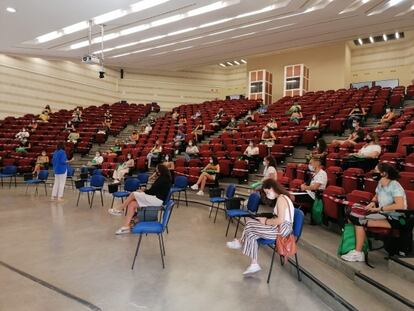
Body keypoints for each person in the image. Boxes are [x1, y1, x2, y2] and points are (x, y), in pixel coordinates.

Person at [226, 179, 294, 275]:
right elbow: (278, 218)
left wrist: (265, 221)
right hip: (280, 227)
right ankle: (253, 263)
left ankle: (241, 242)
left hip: (282, 230)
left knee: (250, 226)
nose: (267, 195)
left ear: (272, 188)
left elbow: (280, 220)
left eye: (267, 192)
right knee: (251, 230)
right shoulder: (283, 197)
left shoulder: (281, 199)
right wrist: (265, 220)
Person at [341, 163, 407, 262]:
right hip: (383, 215)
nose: (373, 173)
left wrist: (378, 209)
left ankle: (358, 254)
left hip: (396, 218)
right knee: (354, 218)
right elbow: (376, 196)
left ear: (384, 173)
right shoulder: (380, 183)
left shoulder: (395, 186)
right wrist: (372, 203)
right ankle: (357, 249)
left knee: (360, 221)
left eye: (376, 171)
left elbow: (400, 205)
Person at [108, 164, 172, 235]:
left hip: (157, 200)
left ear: (160, 170)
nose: (156, 171)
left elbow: (152, 191)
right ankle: (126, 226)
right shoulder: (163, 178)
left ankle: (120, 209)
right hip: (155, 198)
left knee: (133, 194)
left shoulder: (163, 179)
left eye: (157, 170)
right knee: (132, 204)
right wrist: (144, 190)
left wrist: (144, 191)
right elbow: (154, 191)